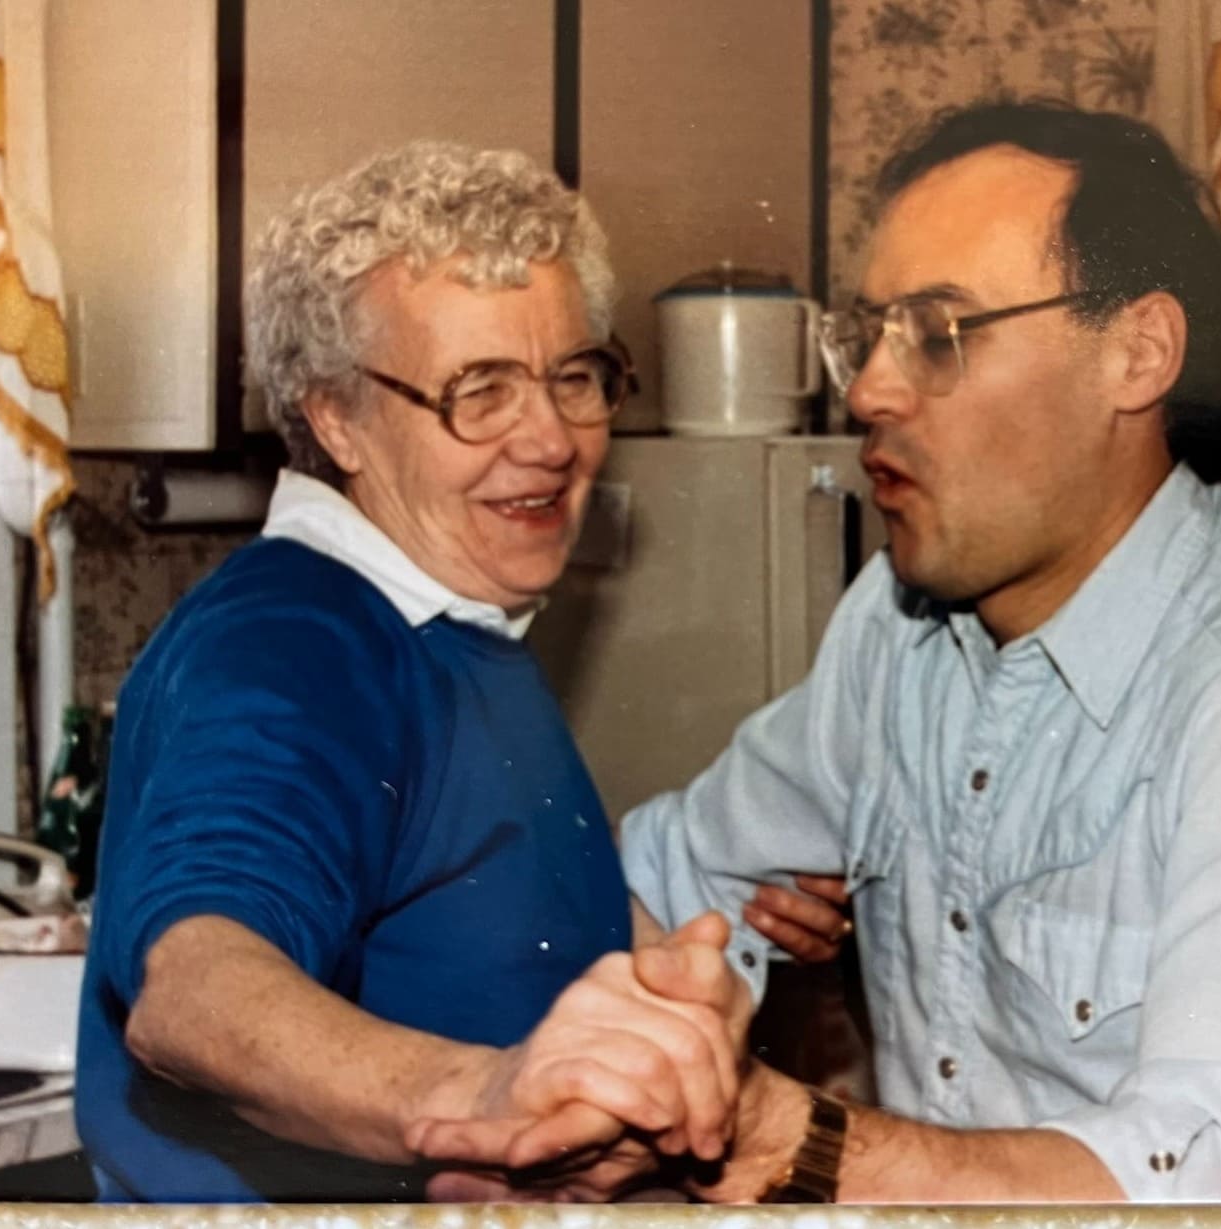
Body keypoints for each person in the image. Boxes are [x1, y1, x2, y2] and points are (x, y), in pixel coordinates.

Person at [413, 98, 1221, 1202]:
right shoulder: (900, 619)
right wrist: (616, 1032)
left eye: (939, 332)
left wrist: (779, 1133)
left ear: (1138, 353)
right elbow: (686, 871)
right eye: (869, 333)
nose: (866, 389)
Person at [76, 141, 748, 1203]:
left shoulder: (457, 623)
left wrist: (668, 997)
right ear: (336, 416)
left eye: (574, 376)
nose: (550, 438)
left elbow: (471, 894)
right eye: (478, 391)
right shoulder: (295, 640)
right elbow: (192, 987)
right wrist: (486, 1097)